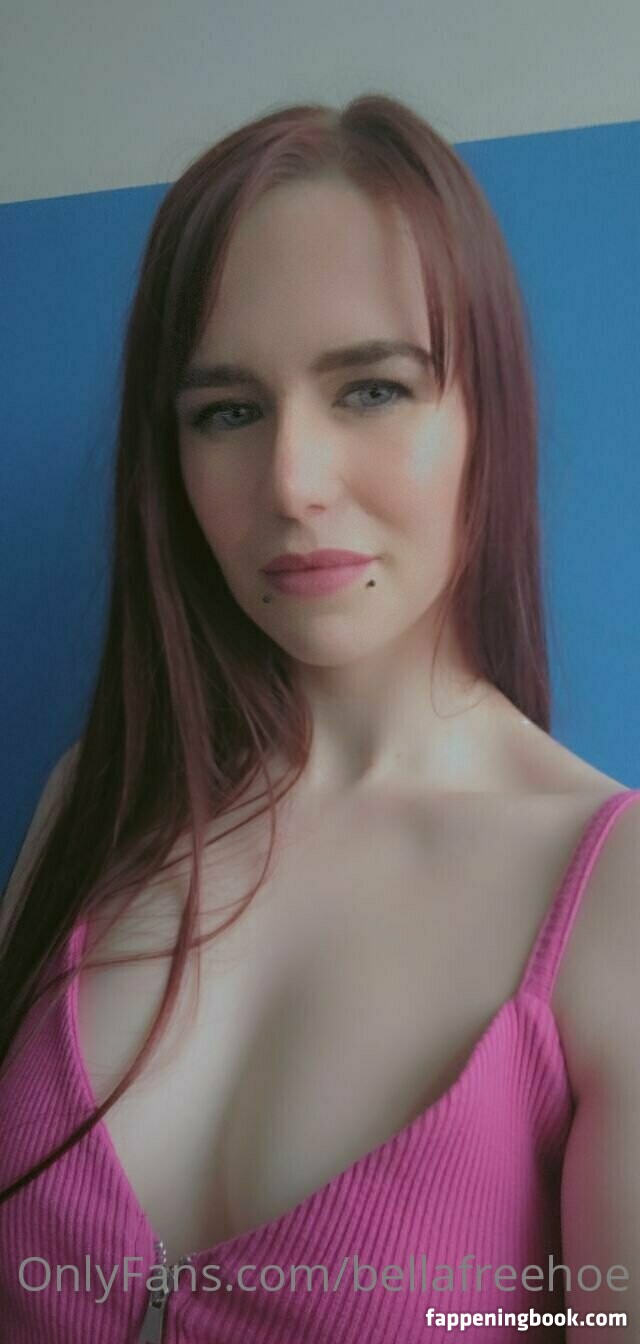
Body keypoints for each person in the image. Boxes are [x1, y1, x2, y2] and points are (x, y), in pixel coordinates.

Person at [0, 92, 638, 1343]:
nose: (291, 482)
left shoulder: (609, 897)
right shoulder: (97, 802)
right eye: (227, 412)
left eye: (371, 390)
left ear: (486, 418)